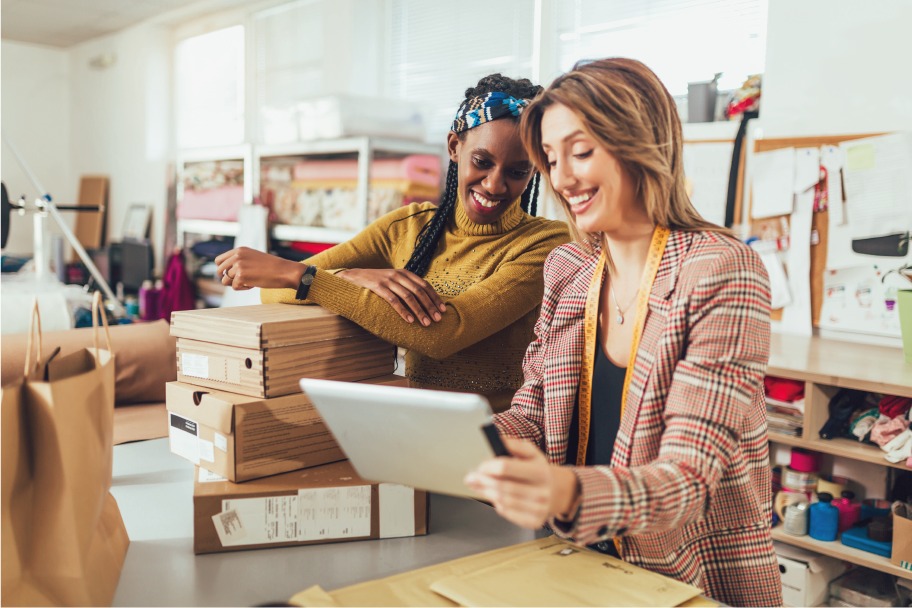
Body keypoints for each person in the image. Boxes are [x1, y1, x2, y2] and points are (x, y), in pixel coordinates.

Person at [465, 59, 782, 608]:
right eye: (552, 159)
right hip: (574, 563)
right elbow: (533, 414)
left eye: (581, 152)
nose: (562, 179)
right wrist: (466, 440)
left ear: (640, 141)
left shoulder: (721, 271)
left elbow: (687, 481)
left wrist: (563, 491)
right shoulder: (569, 269)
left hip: (685, 578)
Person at [215, 75, 570, 412]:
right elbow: (273, 289)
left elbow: (446, 332)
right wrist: (351, 275)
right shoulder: (409, 226)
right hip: (413, 432)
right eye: (482, 161)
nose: (494, 185)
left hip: (500, 441)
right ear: (454, 147)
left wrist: (310, 278)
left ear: (535, 170)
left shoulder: (546, 245)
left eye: (517, 171)